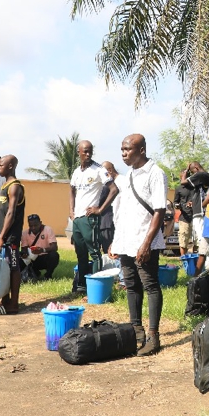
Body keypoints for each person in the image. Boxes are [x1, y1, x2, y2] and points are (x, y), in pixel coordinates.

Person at [108, 134, 168, 355]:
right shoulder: (130, 175)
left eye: (128, 149)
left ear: (141, 150)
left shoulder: (155, 173)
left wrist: (146, 244)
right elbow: (125, 211)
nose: (123, 154)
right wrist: (117, 241)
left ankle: (153, 336)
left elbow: (159, 211)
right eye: (122, 150)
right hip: (127, 241)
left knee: (150, 286)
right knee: (131, 286)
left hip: (144, 242)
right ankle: (136, 331)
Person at [70, 141, 118, 292]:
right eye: (85, 151)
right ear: (78, 152)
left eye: (90, 151)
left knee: (95, 253)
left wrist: (100, 209)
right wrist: (71, 211)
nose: (88, 154)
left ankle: (96, 287)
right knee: (80, 253)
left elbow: (114, 189)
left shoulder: (99, 170)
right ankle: (82, 285)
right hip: (77, 218)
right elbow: (71, 191)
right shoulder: (76, 172)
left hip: (89, 218)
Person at [0, 155, 25, 315]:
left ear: (10, 166)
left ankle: (13, 304)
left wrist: (2, 237)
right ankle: (3, 301)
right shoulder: (5, 185)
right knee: (2, 270)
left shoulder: (15, 187)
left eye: (1, 165)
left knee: (13, 269)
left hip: (10, 238)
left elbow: (11, 213)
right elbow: (0, 214)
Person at [183, 162, 209, 271]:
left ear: (196, 168)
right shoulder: (202, 177)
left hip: (201, 214)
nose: (192, 175)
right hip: (199, 213)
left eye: (192, 172)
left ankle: (207, 266)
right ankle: (207, 266)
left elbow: (183, 182)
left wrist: (186, 171)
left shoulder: (201, 175)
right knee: (202, 240)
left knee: (203, 240)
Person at [19, 214, 60, 280]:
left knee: (54, 255)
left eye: (35, 225)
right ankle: (31, 272)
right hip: (31, 259)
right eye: (31, 226)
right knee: (18, 260)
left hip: (44, 257)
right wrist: (25, 254)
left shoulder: (48, 229)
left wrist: (42, 250)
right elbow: (24, 248)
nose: (33, 228)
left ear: (40, 223)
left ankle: (48, 275)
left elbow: (54, 247)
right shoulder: (25, 233)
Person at [96, 161, 119, 266]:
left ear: (109, 170)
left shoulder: (107, 186)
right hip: (107, 222)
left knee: (109, 250)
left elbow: (98, 201)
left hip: (106, 222)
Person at [174, 172, 195, 256]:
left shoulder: (195, 187)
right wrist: (177, 205)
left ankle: (195, 259)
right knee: (183, 239)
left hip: (196, 217)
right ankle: (184, 259)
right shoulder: (179, 188)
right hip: (184, 217)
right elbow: (175, 202)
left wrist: (194, 203)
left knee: (197, 239)